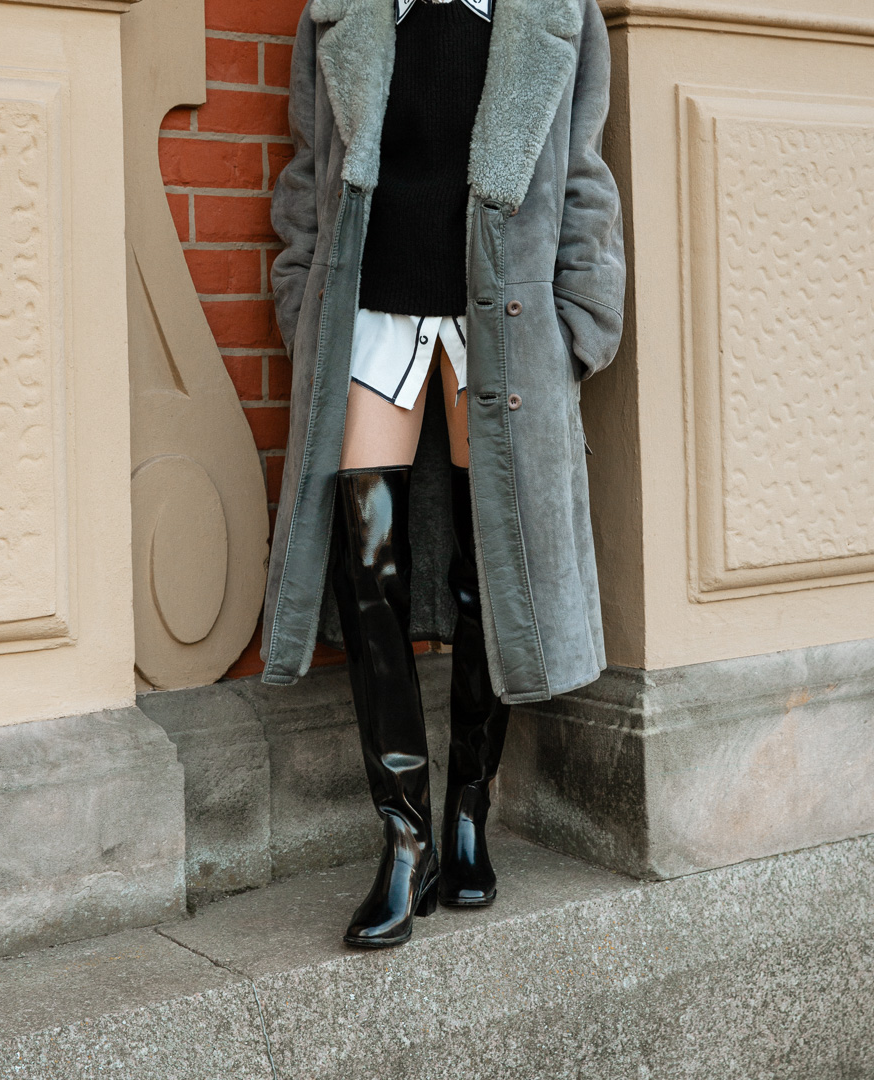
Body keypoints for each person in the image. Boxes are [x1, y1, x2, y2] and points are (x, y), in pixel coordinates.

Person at [263, 0, 625, 948]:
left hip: (496, 323)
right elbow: (307, 178)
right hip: (372, 314)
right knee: (366, 565)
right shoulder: (341, 16)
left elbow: (585, 179)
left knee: (485, 566)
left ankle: (469, 811)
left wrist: (577, 326)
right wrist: (303, 300)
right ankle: (402, 835)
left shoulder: (556, 16)